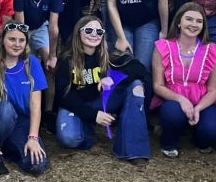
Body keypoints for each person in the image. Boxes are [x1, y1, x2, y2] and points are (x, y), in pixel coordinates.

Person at [55, 16, 150, 165]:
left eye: (99, 31)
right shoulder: (67, 59)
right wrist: (93, 116)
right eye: (88, 30)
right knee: (70, 138)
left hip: (102, 101)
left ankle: (133, 150)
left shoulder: (109, 54)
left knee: (135, 85)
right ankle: (87, 128)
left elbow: (139, 68)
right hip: (78, 104)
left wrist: (114, 78)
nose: (94, 34)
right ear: (78, 33)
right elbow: (64, 96)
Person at [151, 3, 216, 157]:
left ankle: (199, 138)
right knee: (173, 115)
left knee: (213, 129)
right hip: (173, 100)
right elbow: (158, 85)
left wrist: (198, 108)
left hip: (202, 100)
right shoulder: (163, 47)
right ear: (179, 22)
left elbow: (213, 90)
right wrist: (181, 99)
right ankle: (169, 141)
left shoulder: (212, 50)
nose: (193, 24)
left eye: (199, 21)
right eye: (189, 19)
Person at [0, 23, 49, 175]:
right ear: (2, 40)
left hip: (21, 122)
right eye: (12, 39)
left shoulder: (32, 63)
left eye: (21, 40)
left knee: (37, 164)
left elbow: (35, 104)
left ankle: (9, 148)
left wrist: (33, 138)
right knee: (5, 109)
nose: (17, 44)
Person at [13, 0, 62, 74]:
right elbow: (20, 26)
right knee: (25, 63)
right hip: (23, 29)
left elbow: (53, 27)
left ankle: (49, 91)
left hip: (41, 27)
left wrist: (52, 56)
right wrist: (24, 50)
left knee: (50, 65)